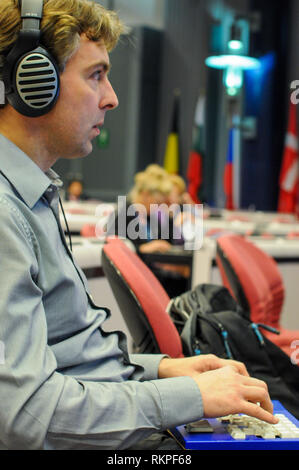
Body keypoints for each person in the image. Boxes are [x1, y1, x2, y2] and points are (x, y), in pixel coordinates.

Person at [0, 0, 277, 450]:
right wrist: (186, 397)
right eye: (96, 75)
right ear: (34, 83)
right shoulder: (6, 214)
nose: (112, 97)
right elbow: (27, 415)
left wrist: (161, 370)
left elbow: (70, 361)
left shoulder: (34, 198)